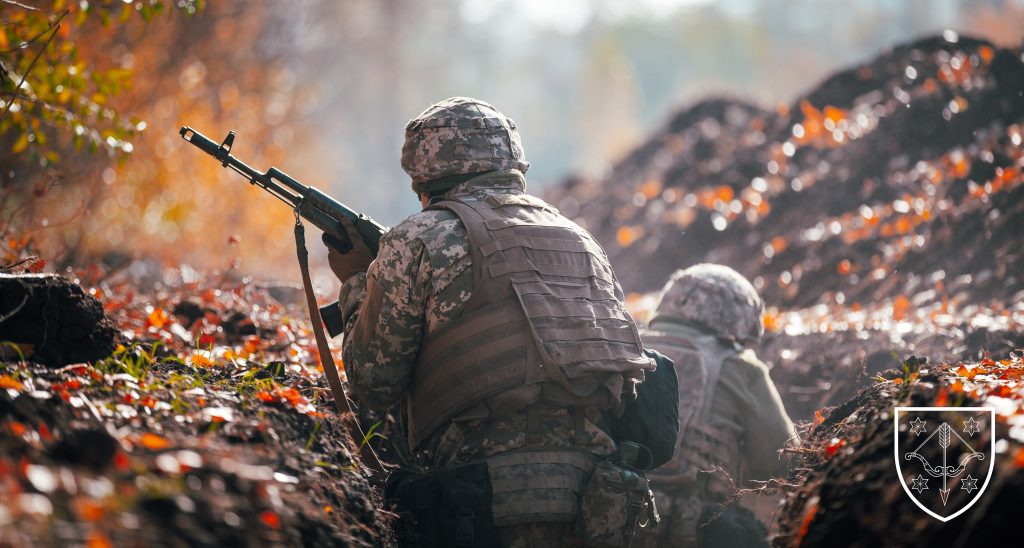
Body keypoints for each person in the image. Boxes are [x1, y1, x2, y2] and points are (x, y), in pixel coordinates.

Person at [326, 97, 655, 547]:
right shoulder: (582, 242)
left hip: (478, 500)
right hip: (599, 501)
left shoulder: (416, 238)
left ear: (424, 174)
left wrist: (356, 284)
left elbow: (374, 385)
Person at [634, 264, 798, 548]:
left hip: (616, 517)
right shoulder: (741, 366)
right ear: (737, 318)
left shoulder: (628, 349)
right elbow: (781, 461)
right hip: (699, 527)